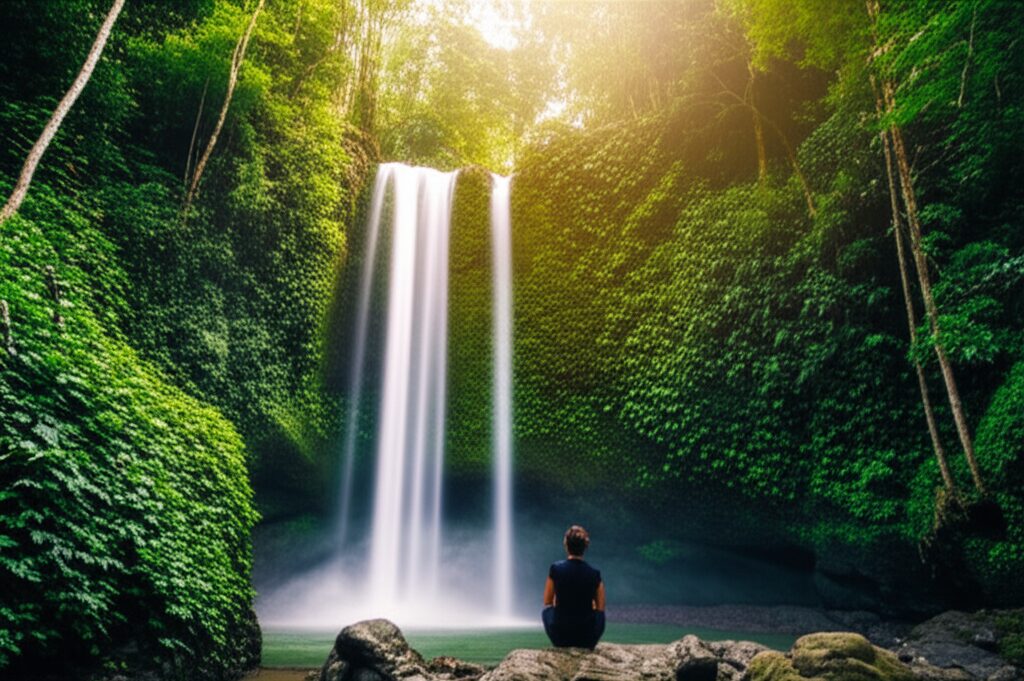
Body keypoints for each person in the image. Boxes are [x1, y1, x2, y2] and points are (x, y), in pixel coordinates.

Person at [542, 524, 606, 649]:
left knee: (546, 611)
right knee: (599, 614)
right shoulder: (594, 573)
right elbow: (601, 607)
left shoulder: (555, 569)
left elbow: (547, 601)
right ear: (585, 547)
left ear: (566, 545)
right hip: (586, 639)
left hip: (561, 637)